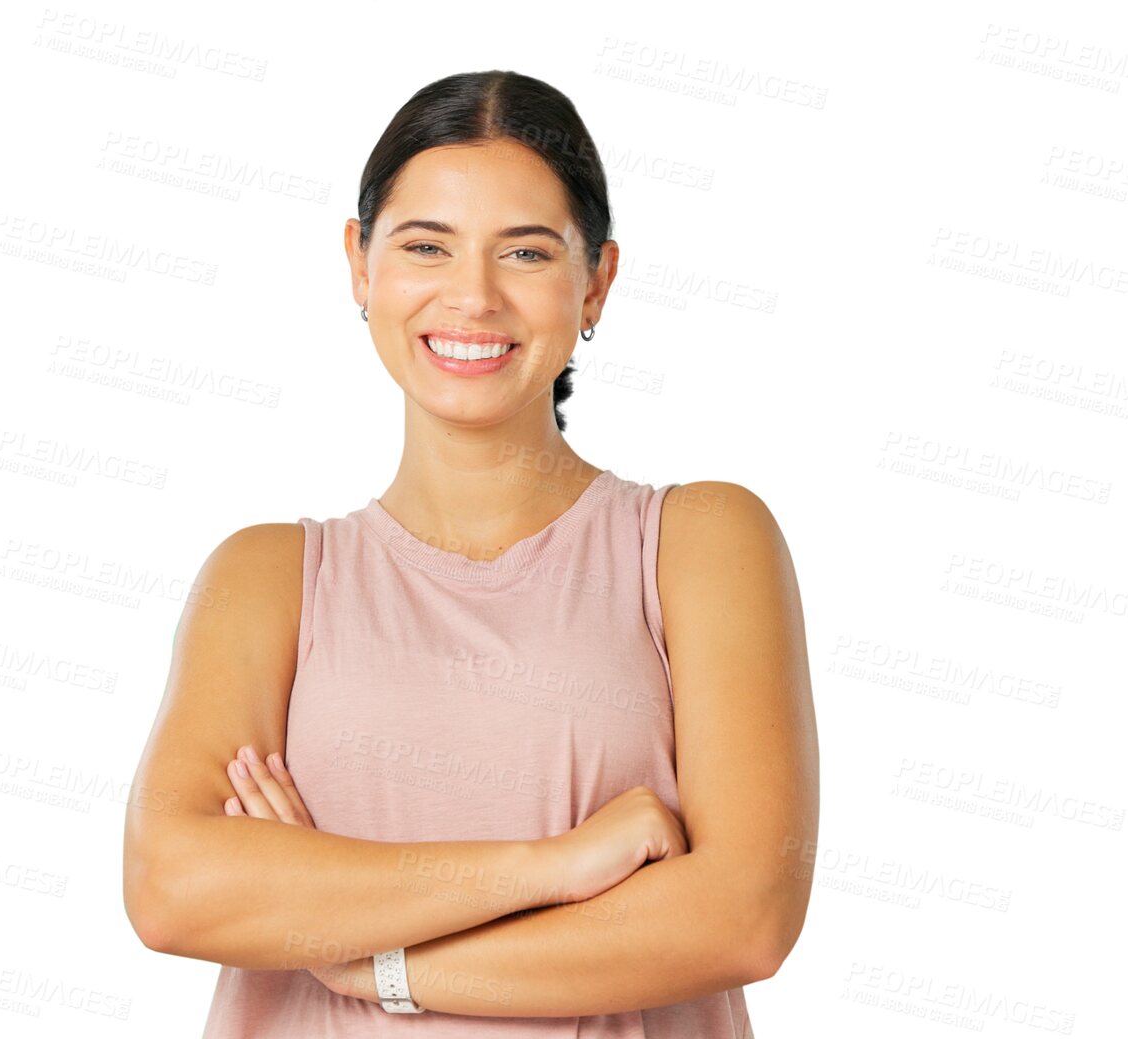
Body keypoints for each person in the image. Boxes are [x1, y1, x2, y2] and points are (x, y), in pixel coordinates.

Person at [122, 69, 819, 1036]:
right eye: (425, 246)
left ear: (597, 281)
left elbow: (742, 917)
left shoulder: (698, 543)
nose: (472, 296)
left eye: (525, 252)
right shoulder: (268, 575)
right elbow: (173, 886)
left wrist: (366, 959)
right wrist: (556, 865)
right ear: (361, 267)